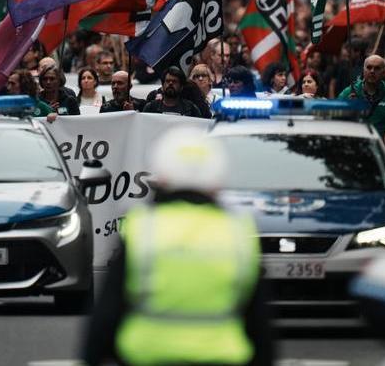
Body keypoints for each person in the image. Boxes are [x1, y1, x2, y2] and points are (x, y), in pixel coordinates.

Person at [83, 130, 273, 366]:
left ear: (161, 178)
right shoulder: (238, 231)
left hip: (147, 356)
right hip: (221, 357)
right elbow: (259, 322)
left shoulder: (142, 228)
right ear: (217, 182)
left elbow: (107, 315)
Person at [338, 54, 385, 177]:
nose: (372, 71)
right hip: (352, 157)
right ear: (363, 70)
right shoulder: (348, 93)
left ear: (384, 72)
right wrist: (349, 108)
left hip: (382, 160)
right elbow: (335, 121)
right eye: (369, 67)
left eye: (377, 68)